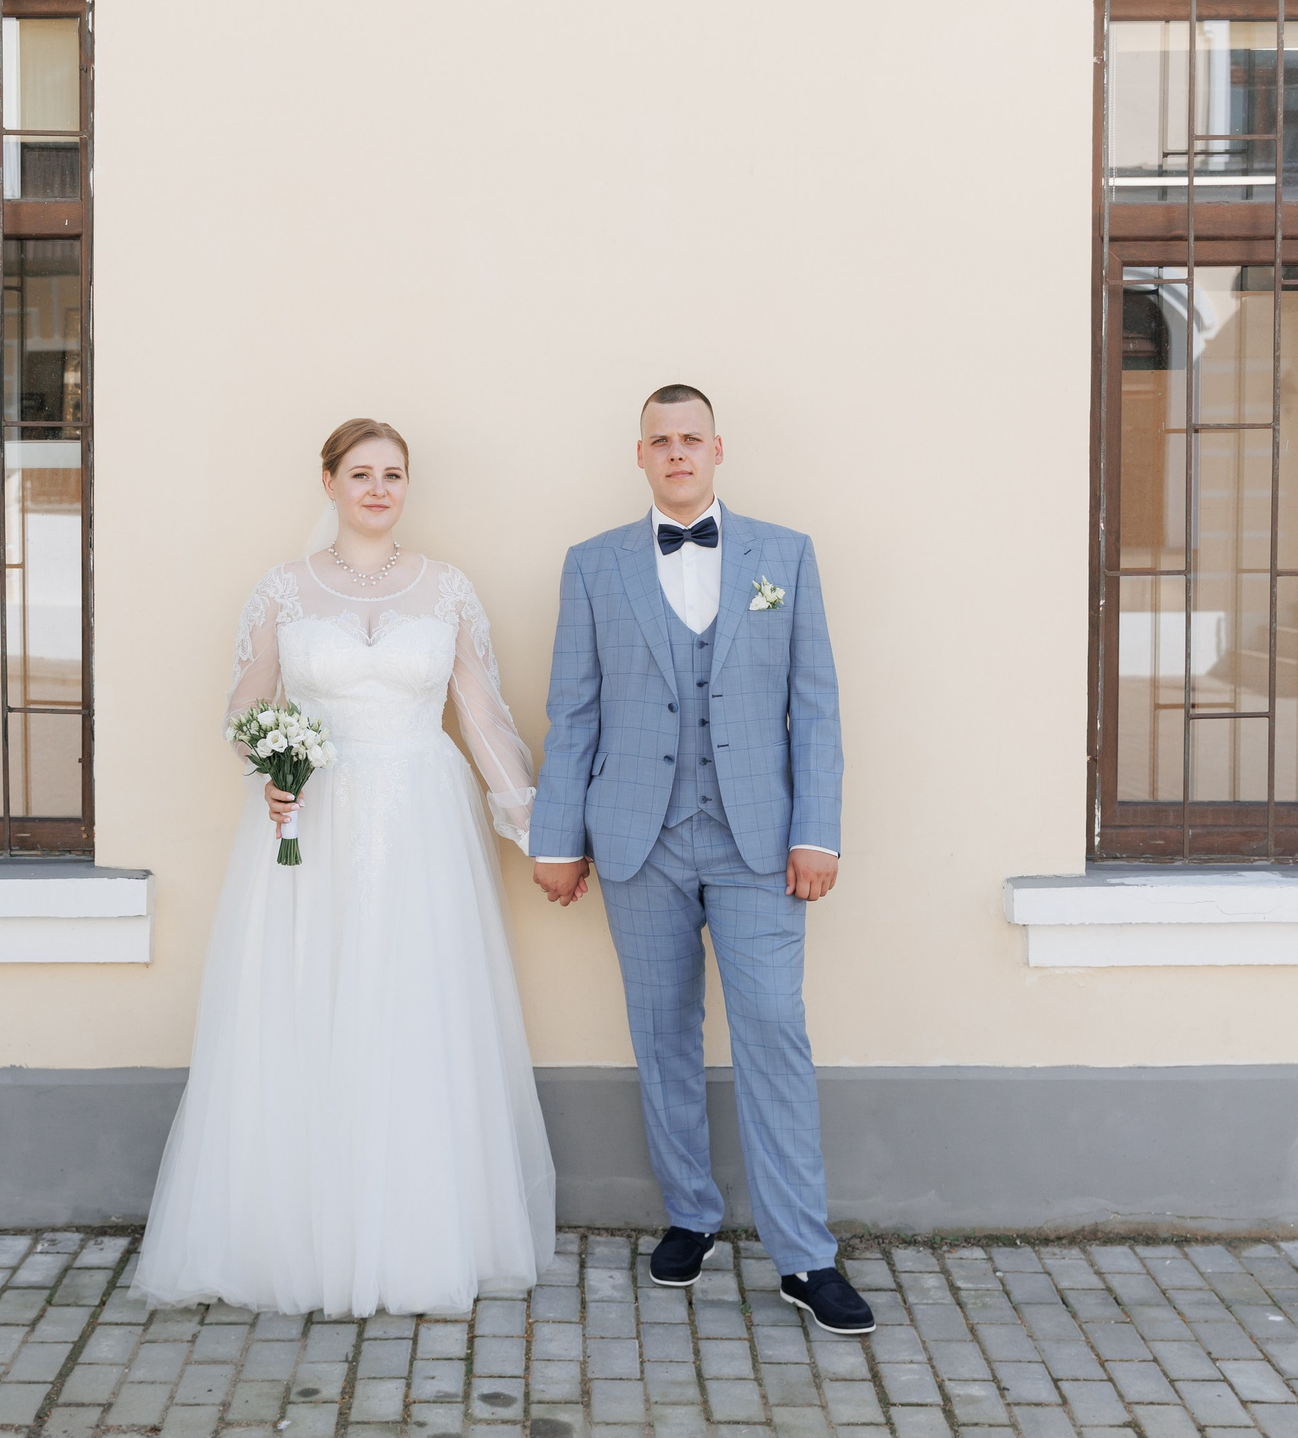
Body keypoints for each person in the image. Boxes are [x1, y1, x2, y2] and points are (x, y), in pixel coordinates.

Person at [132, 419, 556, 1316]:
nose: (377, 488)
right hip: (314, 821)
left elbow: (481, 715)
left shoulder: (446, 587)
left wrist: (534, 829)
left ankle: (417, 1232)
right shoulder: (283, 591)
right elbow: (245, 708)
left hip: (422, 823)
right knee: (308, 999)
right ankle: (300, 1232)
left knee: (413, 1003)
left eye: (393, 474)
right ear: (327, 481)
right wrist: (271, 772)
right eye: (360, 472)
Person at [529, 385, 873, 1336]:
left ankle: (805, 1255)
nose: (676, 452)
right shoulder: (593, 564)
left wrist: (817, 831)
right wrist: (557, 837)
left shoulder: (784, 555)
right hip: (636, 835)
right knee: (662, 1029)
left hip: (758, 838)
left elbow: (818, 704)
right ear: (639, 454)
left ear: (719, 449)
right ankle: (691, 1214)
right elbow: (573, 711)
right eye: (660, 440)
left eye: (692, 438)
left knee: (773, 1027)